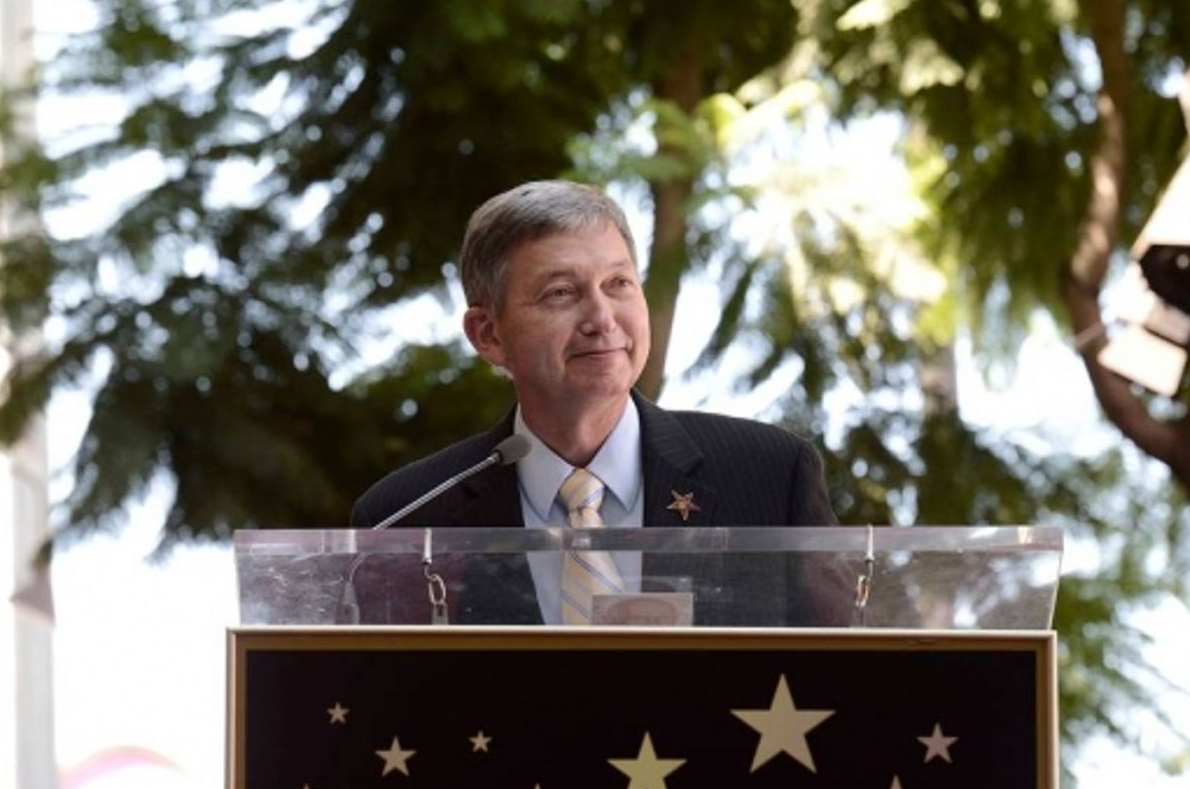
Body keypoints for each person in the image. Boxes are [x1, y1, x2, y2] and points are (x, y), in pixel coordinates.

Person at [350, 180, 849, 625]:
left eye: (618, 285)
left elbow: (849, 677)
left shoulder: (772, 476)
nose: (603, 318)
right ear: (488, 334)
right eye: (562, 293)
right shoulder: (406, 517)